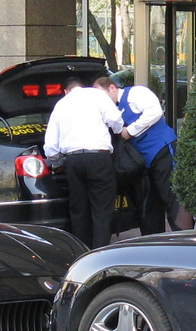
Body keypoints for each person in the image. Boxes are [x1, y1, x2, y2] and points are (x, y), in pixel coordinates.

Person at [43, 74, 123, 249]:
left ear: (66, 91)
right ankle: (100, 252)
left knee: (79, 210)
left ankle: (82, 252)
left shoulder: (61, 104)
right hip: (99, 158)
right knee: (102, 210)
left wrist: (57, 163)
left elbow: (50, 146)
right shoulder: (97, 95)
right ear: (83, 85)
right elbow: (116, 120)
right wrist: (117, 132)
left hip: (73, 160)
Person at [100, 75, 180, 236]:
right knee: (148, 205)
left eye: (103, 95)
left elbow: (155, 112)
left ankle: (186, 241)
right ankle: (153, 244)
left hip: (161, 150)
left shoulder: (136, 93)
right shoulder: (110, 111)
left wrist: (129, 131)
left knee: (172, 196)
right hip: (142, 163)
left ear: (112, 88)